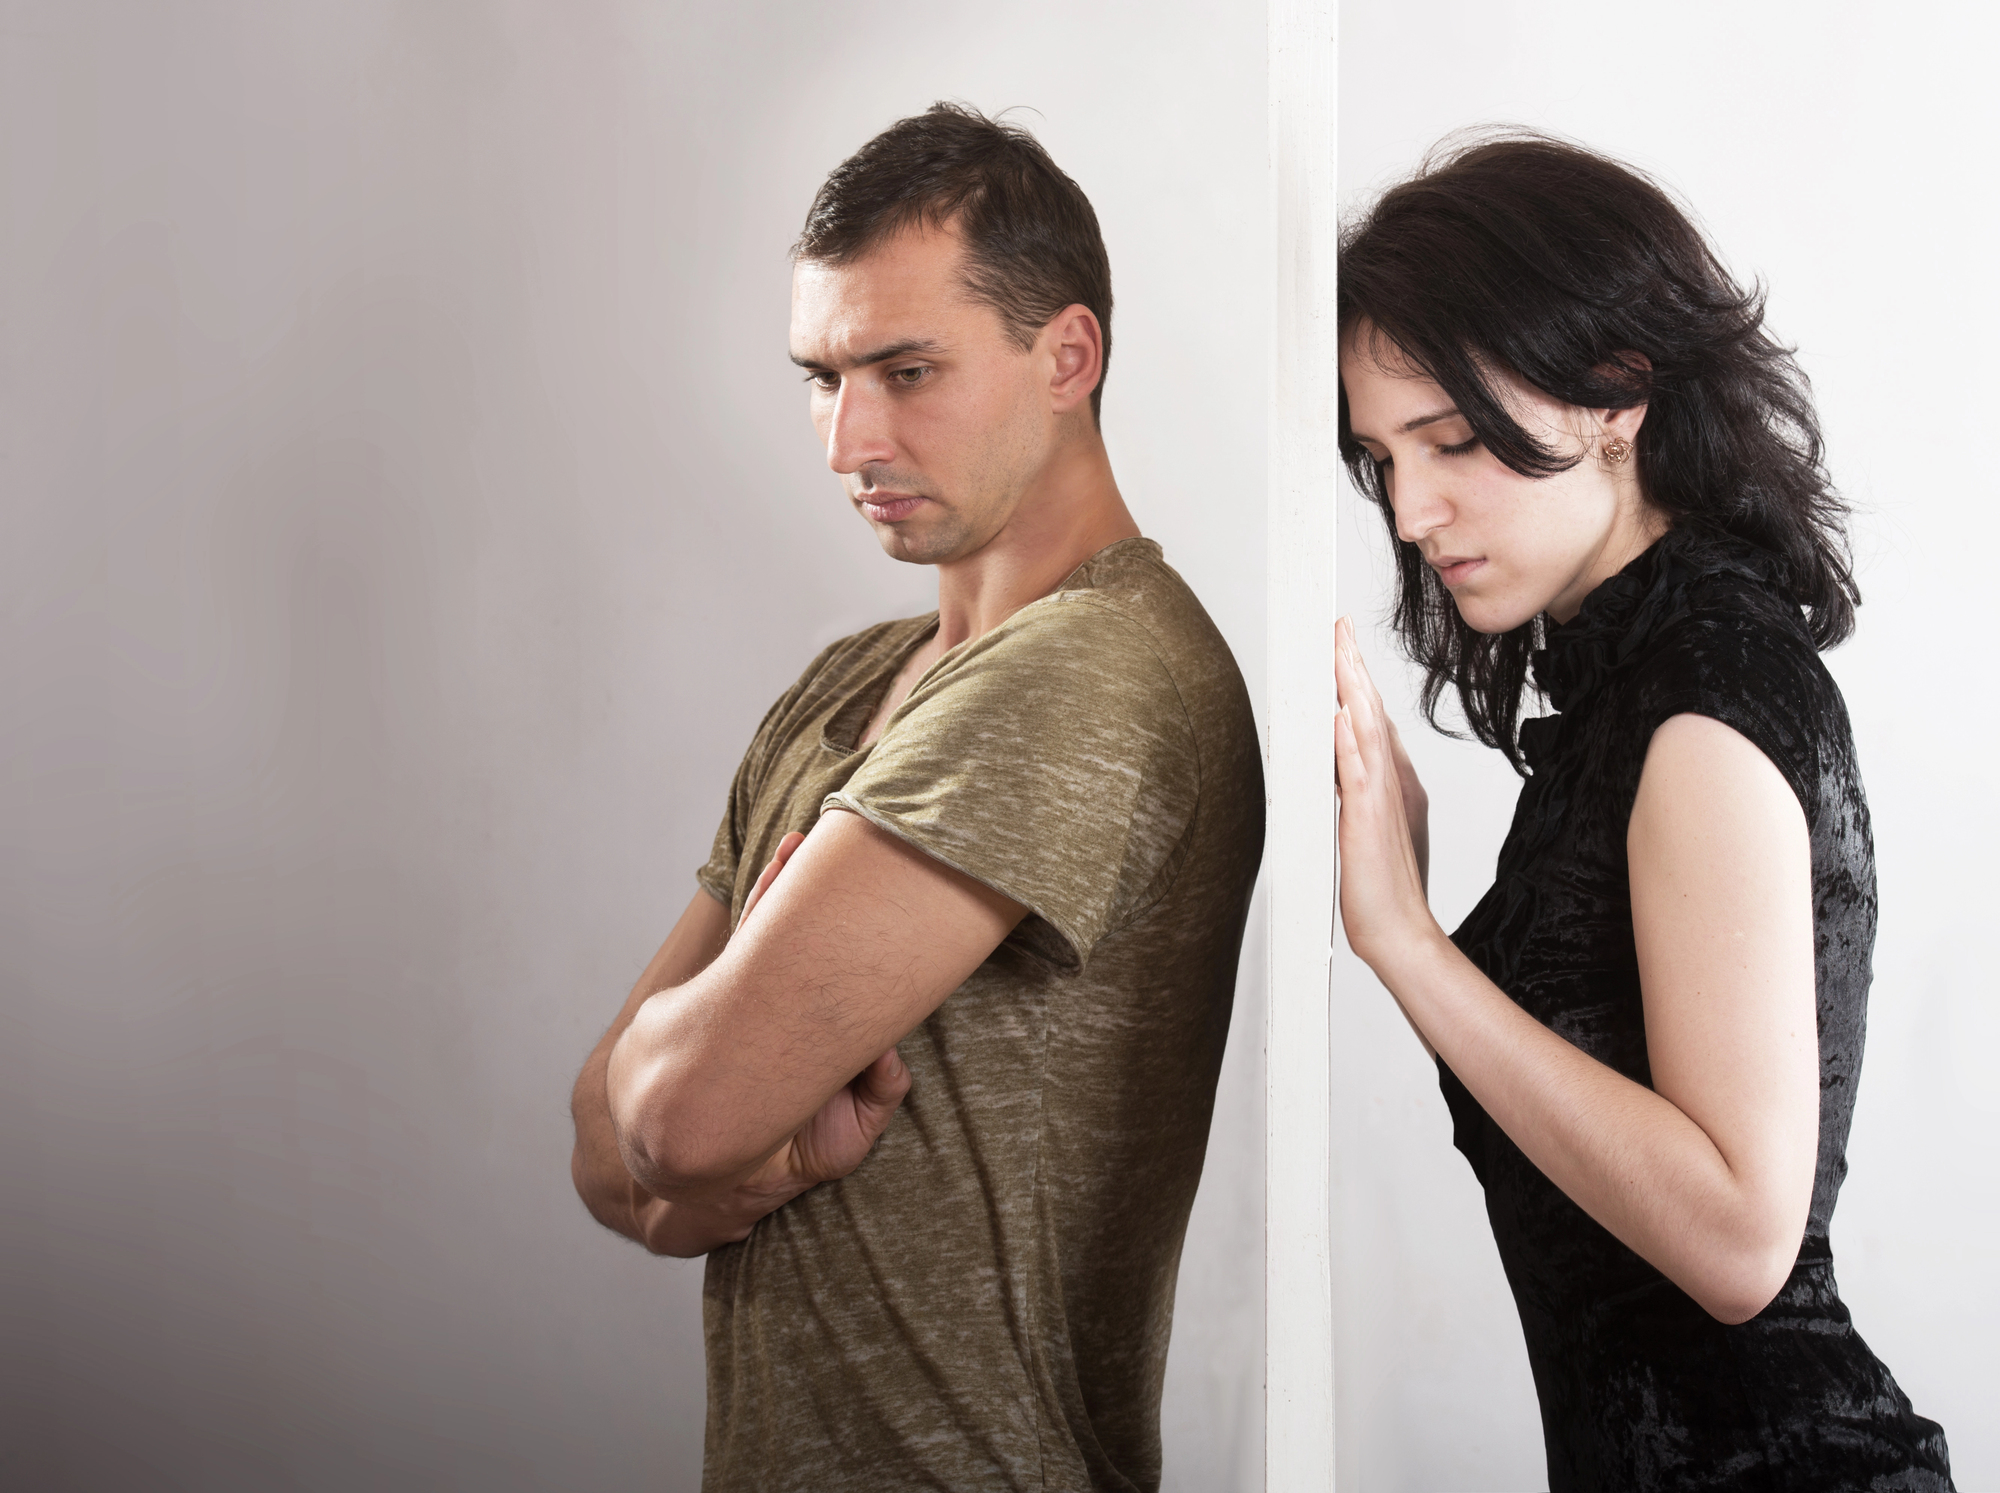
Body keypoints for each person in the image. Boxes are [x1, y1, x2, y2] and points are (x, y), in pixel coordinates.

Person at [566, 103, 1263, 1493]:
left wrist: (691, 1122)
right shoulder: (854, 681)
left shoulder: (1094, 670)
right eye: (822, 377)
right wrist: (716, 1146)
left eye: (905, 369)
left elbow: (670, 1116)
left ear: (1068, 356)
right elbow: (603, 1153)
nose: (847, 439)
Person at [1331, 134, 1953, 1491]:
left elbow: (1741, 1241)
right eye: (1382, 456)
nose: (1414, 507)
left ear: (1615, 394)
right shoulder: (1632, 690)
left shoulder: (1702, 706)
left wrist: (1409, 944)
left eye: (1451, 438)